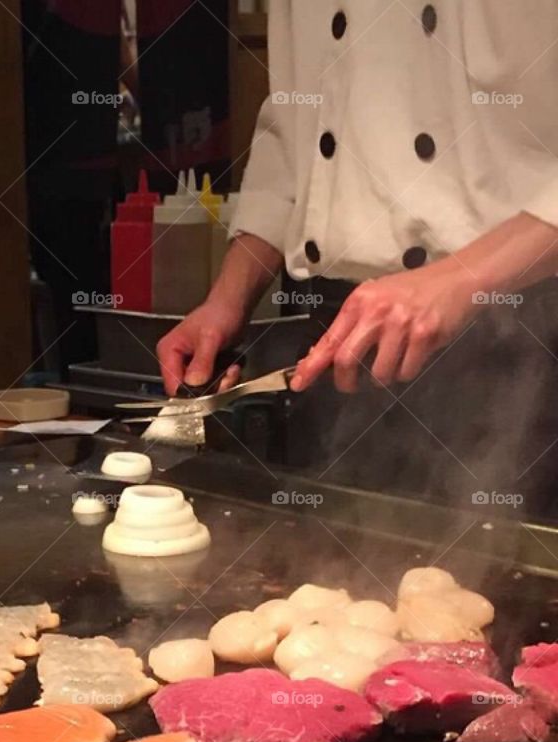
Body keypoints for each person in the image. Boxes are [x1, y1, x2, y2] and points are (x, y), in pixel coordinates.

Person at [157, 2, 558, 511]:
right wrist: (226, 302)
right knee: (326, 567)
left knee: (515, 578)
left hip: (524, 335)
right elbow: (291, 132)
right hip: (336, 344)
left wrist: (459, 279)